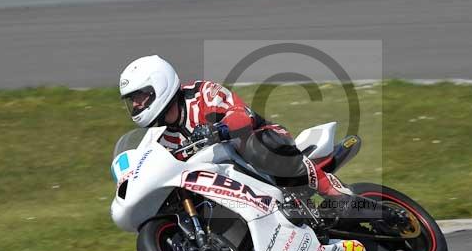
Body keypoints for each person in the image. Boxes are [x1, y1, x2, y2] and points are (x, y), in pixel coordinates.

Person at [118, 55, 404, 224]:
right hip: (227, 179)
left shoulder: (202, 94)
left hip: (264, 140)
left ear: (161, 84)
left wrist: (220, 129)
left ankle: (334, 194)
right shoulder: (161, 137)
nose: (138, 107)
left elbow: (240, 114)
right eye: (132, 102)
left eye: (141, 98)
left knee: (251, 144)